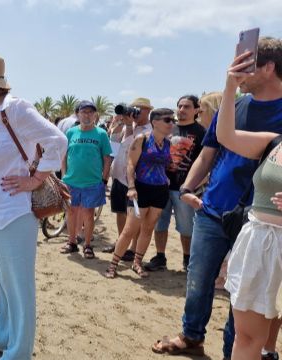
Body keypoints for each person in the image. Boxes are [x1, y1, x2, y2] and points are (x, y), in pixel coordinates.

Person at [152, 36, 282, 359]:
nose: (236, 70)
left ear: (267, 68)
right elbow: (209, 153)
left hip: (259, 221)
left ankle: (233, 351)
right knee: (198, 279)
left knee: (241, 294)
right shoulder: (235, 106)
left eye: (244, 65)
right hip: (212, 208)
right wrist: (186, 189)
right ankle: (191, 335)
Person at [0, 51, 67, 359]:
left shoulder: (15, 109)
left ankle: (18, 352)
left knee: (20, 290)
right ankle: (2, 336)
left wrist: (35, 179)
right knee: (4, 284)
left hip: (15, 214)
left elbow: (57, 141)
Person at [215, 45, 282, 360]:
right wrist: (230, 86)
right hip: (259, 244)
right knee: (247, 338)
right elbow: (226, 136)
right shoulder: (274, 141)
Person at [104, 108, 174, 278]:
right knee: (129, 230)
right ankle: (113, 265)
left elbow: (166, 164)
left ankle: (137, 263)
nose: (171, 124)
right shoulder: (142, 139)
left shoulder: (167, 143)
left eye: (173, 120)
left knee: (148, 229)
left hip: (160, 190)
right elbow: (130, 164)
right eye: (167, 120)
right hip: (141, 189)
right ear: (155, 122)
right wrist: (131, 187)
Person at [147, 95, 206, 272]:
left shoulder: (202, 132)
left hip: (185, 189)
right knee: (159, 223)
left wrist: (194, 185)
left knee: (187, 227)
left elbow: (206, 161)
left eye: (186, 107)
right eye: (179, 106)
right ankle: (160, 256)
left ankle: (187, 259)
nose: (181, 110)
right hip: (162, 186)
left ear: (196, 110)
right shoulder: (168, 128)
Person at [60, 100, 112, 259]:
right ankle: (72, 242)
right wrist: (63, 176)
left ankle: (88, 245)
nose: (87, 115)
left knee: (88, 215)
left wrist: (104, 180)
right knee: (71, 213)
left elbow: (107, 159)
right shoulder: (71, 132)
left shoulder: (101, 134)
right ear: (78, 114)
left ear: (96, 115)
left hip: (92, 182)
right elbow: (63, 156)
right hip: (71, 181)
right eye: (84, 112)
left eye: (91, 112)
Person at [103, 98, 153, 261]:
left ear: (148, 111)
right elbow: (114, 140)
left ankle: (132, 248)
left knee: (134, 215)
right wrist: (120, 121)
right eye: (133, 108)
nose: (135, 112)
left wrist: (131, 126)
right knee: (120, 212)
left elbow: (137, 144)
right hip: (118, 176)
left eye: (139, 109)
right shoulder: (127, 127)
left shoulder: (150, 129)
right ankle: (121, 243)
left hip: (135, 180)